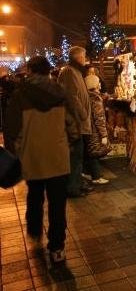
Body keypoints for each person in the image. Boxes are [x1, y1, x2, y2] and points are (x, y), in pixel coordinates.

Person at [4, 56, 70, 263]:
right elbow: (72, 123)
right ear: (48, 71)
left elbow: (11, 129)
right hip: (58, 156)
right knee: (58, 204)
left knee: (35, 196)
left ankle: (34, 232)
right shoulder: (61, 93)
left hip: (32, 156)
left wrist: (12, 153)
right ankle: (57, 247)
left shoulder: (20, 95)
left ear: (31, 71)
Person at [58, 46, 92, 197]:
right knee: (75, 156)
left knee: (79, 155)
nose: (85, 60)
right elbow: (72, 97)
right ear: (78, 58)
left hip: (78, 122)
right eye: (83, 57)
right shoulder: (69, 72)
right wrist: (83, 114)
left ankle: (77, 183)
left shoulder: (76, 71)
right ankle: (72, 187)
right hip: (74, 123)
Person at [82, 74, 110, 184]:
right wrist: (104, 135)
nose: (100, 85)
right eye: (98, 82)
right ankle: (96, 177)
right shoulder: (95, 99)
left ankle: (88, 173)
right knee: (95, 153)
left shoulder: (86, 97)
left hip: (88, 129)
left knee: (90, 152)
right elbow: (99, 118)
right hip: (95, 131)